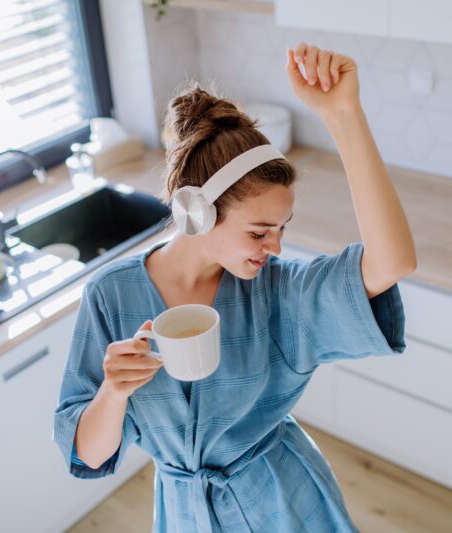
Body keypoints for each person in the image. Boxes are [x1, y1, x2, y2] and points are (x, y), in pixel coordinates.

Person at [53, 42, 417, 532]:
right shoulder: (111, 296)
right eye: (259, 231)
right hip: (186, 515)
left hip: (285, 503)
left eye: (283, 228)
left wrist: (345, 115)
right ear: (196, 212)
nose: (276, 248)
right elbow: (88, 455)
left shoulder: (277, 293)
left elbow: (393, 262)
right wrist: (113, 393)